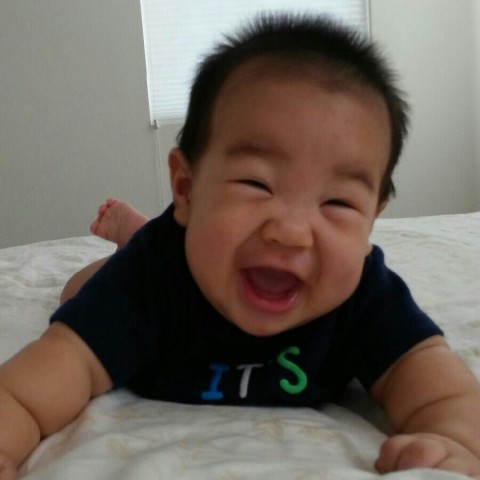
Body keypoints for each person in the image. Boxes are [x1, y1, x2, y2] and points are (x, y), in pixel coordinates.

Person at [1, 13, 480, 479]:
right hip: (165, 255)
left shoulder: (364, 293)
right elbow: (35, 384)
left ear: (373, 217)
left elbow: (436, 383)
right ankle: (137, 235)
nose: (291, 232)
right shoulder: (148, 278)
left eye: (337, 202)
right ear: (186, 187)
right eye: (256, 184)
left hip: (195, 242)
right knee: (77, 291)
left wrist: (455, 440)